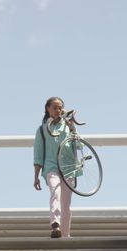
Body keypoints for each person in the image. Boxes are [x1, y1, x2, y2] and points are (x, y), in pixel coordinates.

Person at [33, 96, 76, 238]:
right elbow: (38, 154)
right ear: (48, 109)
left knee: (66, 205)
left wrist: (73, 129)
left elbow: (80, 146)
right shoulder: (42, 130)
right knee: (55, 192)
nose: (58, 110)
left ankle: (65, 236)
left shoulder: (68, 126)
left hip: (69, 168)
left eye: (60, 108)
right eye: (54, 107)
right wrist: (36, 177)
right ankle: (55, 224)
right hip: (51, 167)